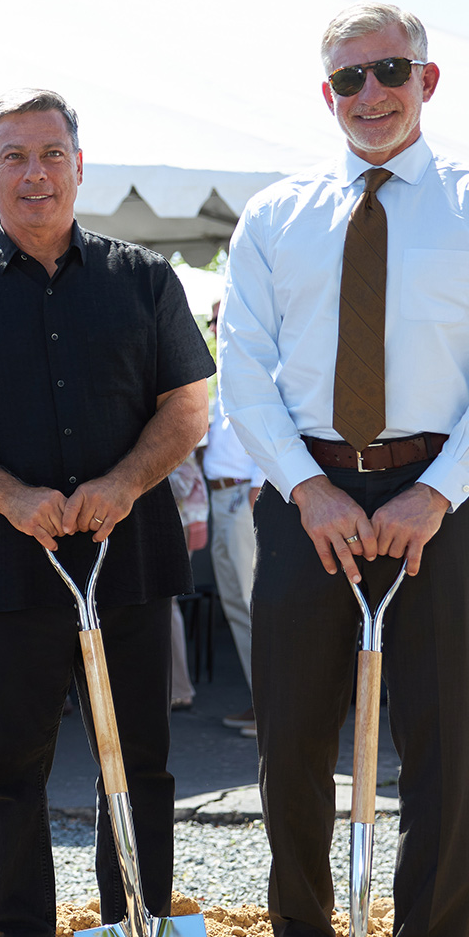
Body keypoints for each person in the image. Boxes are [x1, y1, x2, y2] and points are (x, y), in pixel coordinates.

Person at [217, 2, 469, 937]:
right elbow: (242, 369)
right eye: (348, 78)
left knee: (439, 736)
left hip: (439, 492)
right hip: (304, 496)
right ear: (326, 94)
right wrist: (304, 488)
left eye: (389, 71)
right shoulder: (275, 216)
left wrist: (434, 493)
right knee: (290, 733)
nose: (370, 93)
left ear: (427, 80)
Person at [0, 87, 213, 937]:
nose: (35, 173)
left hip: (129, 557)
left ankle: (136, 929)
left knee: (138, 759)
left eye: (51, 154)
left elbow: (187, 408)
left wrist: (125, 483)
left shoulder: (145, 280)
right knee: (11, 766)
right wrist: (12, 497)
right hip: (10, 563)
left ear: (79, 165)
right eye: (15, 157)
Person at [202, 298, 264, 736]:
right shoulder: (226, 367)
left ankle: (273, 708)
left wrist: (259, 487)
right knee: (238, 605)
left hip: (243, 496)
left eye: (219, 318)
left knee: (252, 604)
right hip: (226, 496)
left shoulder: (254, 359)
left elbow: (273, 422)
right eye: (212, 319)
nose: (214, 326)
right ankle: (264, 702)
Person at [165, 458, 209, 709]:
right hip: (172, 519)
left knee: (166, 603)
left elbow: (182, 483)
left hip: (176, 521)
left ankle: (179, 690)